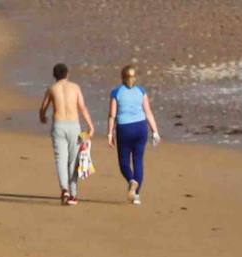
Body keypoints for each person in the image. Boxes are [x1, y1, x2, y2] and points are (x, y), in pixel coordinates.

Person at [39, 63, 96, 206]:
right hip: (74, 126)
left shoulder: (52, 88)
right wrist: (90, 125)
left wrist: (42, 117)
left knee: (60, 159)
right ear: (67, 74)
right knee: (73, 161)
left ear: (54, 75)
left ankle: (64, 189)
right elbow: (82, 107)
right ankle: (73, 194)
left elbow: (43, 107)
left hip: (58, 125)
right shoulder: (75, 87)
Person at [106, 64, 161, 205]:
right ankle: (136, 195)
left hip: (124, 128)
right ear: (135, 77)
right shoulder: (141, 91)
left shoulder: (116, 92)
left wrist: (110, 134)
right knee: (138, 161)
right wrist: (155, 132)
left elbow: (112, 115)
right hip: (141, 127)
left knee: (124, 162)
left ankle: (131, 180)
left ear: (122, 77)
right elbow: (148, 112)